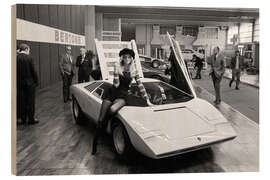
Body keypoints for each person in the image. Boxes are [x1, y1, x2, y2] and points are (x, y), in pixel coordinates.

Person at [91, 48, 152, 155]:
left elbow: (140, 85)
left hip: (123, 96)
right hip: (112, 92)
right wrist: (115, 72)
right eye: (125, 57)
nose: (127, 59)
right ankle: (95, 142)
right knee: (101, 119)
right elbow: (116, 85)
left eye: (129, 57)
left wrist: (147, 98)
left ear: (132, 58)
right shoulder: (117, 66)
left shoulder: (134, 70)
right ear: (122, 58)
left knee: (112, 110)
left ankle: (105, 133)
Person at [17, 43, 39, 125]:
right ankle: (31, 119)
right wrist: (36, 81)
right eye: (29, 50)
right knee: (30, 102)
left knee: (21, 101)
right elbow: (34, 71)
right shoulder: (29, 58)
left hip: (19, 84)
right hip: (30, 84)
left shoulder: (16, 58)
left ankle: (22, 119)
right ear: (26, 49)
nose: (29, 51)